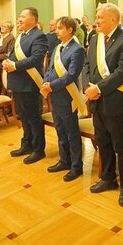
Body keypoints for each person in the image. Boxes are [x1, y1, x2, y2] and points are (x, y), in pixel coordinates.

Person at [83, 2, 123, 207]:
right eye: (96, 17)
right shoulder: (95, 39)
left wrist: (99, 88)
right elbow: (88, 65)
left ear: (113, 19)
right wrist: (88, 86)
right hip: (96, 101)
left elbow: (122, 72)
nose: (96, 21)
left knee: (120, 145)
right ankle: (108, 178)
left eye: (100, 18)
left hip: (115, 101)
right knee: (102, 141)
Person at [40, 16, 86, 181]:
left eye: (60, 28)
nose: (56, 31)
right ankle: (64, 160)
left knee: (71, 132)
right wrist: (46, 81)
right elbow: (50, 69)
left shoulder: (77, 49)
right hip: (55, 96)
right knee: (60, 130)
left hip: (67, 96)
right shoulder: (58, 48)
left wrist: (52, 85)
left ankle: (76, 166)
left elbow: (72, 74)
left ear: (70, 30)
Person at [3, 7, 49, 164]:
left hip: (29, 83)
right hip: (17, 83)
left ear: (33, 19)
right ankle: (27, 144)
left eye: (23, 16)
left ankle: (38, 149)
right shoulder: (21, 36)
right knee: (23, 116)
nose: (19, 19)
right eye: (19, 16)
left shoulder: (39, 36)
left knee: (33, 117)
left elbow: (36, 58)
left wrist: (14, 66)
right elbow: (13, 56)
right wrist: (7, 61)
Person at [0, 20, 15, 95]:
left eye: (4, 26)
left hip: (3, 63)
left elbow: (10, 54)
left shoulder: (11, 38)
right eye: (1, 26)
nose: (1, 27)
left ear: (9, 29)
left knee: (1, 83)